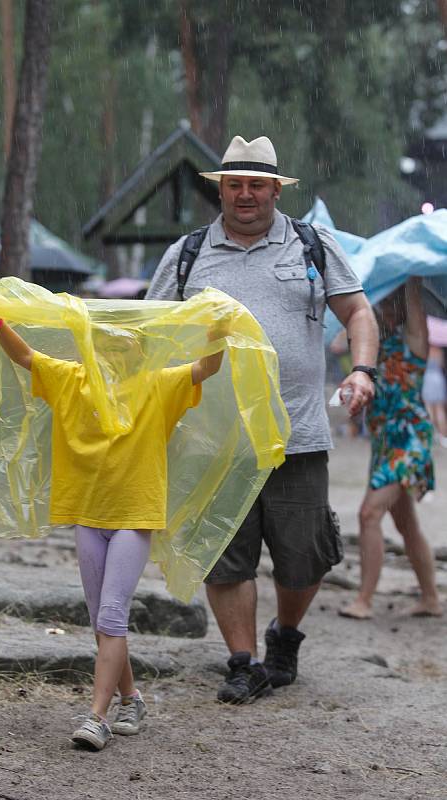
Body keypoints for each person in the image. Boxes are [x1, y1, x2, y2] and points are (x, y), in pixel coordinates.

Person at [146, 134, 379, 703]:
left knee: (305, 556)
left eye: (256, 184)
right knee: (225, 556)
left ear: (276, 189)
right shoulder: (187, 253)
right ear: (220, 189)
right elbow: (149, 334)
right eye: (234, 184)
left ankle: (286, 634)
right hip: (211, 437)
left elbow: (359, 311)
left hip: (296, 434)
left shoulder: (311, 244)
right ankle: (243, 662)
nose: (244, 194)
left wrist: (363, 370)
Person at [0, 305, 228, 750]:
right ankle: (132, 698)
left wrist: (219, 328)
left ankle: (96, 717)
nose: (113, 350)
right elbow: (27, 358)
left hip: (134, 516)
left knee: (110, 615)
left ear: (140, 351)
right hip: (88, 516)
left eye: (123, 344)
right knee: (103, 621)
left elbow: (207, 367)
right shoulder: (72, 379)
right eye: (105, 343)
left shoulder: (156, 384)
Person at [339, 279, 442, 620]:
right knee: (406, 525)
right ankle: (430, 598)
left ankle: (364, 601)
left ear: (397, 307)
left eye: (383, 304)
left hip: (409, 440)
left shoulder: (413, 340)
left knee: (369, 514)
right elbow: (338, 343)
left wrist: (407, 278)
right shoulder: (372, 348)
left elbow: (411, 299)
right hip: (384, 444)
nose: (377, 310)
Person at [423, 343, 447, 447]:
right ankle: (443, 436)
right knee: (440, 410)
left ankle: (431, 434)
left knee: (429, 409)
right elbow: (442, 365)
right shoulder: (439, 351)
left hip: (427, 379)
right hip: (438, 378)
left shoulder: (424, 349)